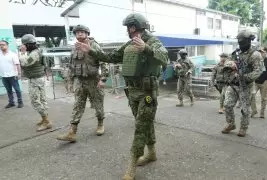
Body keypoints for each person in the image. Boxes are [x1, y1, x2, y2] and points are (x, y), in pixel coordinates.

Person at [75, 13, 168, 180]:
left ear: (132, 27)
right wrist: (91, 50)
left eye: (128, 27)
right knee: (145, 124)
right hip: (132, 91)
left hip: (147, 92)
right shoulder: (129, 44)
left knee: (140, 126)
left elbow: (165, 58)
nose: (127, 30)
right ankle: (152, 153)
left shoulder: (153, 41)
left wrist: (146, 48)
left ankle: (132, 164)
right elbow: (111, 57)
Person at [56, 25, 109, 142]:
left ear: (87, 33)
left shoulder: (94, 45)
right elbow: (71, 65)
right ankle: (72, 132)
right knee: (78, 105)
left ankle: (100, 124)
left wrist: (103, 79)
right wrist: (69, 81)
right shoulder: (74, 48)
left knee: (98, 104)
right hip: (79, 81)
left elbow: (104, 61)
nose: (79, 34)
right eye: (77, 32)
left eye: (82, 32)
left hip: (93, 80)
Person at [222, 30, 262, 137]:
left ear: (249, 41)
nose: (241, 43)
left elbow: (258, 71)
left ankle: (243, 128)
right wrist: (231, 64)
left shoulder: (255, 54)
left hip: (246, 85)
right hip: (234, 84)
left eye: (243, 41)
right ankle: (231, 124)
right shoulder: (236, 53)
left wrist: (245, 77)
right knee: (227, 105)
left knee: (245, 109)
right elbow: (227, 62)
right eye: (239, 41)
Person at [19, 34, 52, 131]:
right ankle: (44, 118)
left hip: (35, 79)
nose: (23, 47)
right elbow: (44, 65)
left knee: (35, 101)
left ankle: (46, 122)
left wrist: (22, 53)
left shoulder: (34, 53)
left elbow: (25, 63)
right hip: (39, 78)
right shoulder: (38, 51)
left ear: (28, 45)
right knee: (42, 99)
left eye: (24, 45)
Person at [250, 47, 267, 118]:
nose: (261, 53)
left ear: (266, 53)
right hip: (255, 81)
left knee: (264, 98)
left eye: (262, 52)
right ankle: (254, 110)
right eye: (259, 52)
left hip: (264, 82)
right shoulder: (255, 60)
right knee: (251, 95)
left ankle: (262, 112)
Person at [0, 40, 23, 108]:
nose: (1, 46)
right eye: (0, 45)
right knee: (8, 90)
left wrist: (19, 74)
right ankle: (11, 102)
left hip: (13, 75)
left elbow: (18, 65)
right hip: (4, 76)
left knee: (17, 89)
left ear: (7, 45)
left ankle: (20, 102)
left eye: (3, 44)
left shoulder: (12, 54)